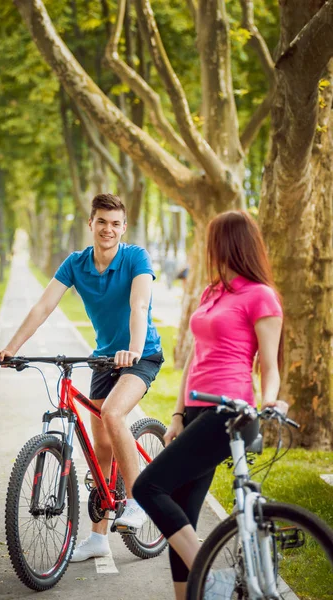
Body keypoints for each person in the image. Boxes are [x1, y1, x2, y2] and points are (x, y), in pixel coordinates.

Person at [0, 193, 163, 562]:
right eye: (102, 222)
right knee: (101, 446)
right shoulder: (76, 264)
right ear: (91, 224)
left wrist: (132, 348)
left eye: (116, 223)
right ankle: (98, 538)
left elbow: (140, 305)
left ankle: (137, 501)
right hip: (104, 359)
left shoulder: (135, 258)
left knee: (114, 415)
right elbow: (43, 306)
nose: (108, 229)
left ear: (124, 227)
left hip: (140, 354)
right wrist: (10, 348)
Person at [133, 210, 287, 600]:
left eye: (213, 240)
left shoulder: (261, 296)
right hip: (198, 411)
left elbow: (269, 366)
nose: (208, 249)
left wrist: (269, 402)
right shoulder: (212, 292)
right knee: (179, 516)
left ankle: (211, 575)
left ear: (231, 243)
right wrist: (178, 414)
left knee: (147, 487)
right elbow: (196, 359)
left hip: (231, 414)